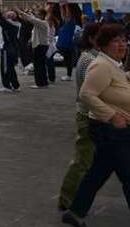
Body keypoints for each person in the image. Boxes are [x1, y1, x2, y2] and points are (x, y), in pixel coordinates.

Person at [62, 24, 130, 226]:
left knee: (98, 173)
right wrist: (112, 116)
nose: (122, 44)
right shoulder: (101, 65)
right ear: (104, 44)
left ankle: (75, 212)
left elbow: (113, 86)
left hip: (113, 130)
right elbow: (86, 94)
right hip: (110, 130)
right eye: (116, 41)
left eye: (124, 40)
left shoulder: (113, 64)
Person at [58, 22, 101, 211]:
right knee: (83, 159)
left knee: (89, 159)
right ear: (92, 39)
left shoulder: (94, 57)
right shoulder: (89, 60)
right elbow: (90, 92)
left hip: (93, 114)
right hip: (89, 115)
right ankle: (67, 198)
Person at [18, 4, 54, 89]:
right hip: (41, 45)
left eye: (38, 14)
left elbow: (31, 18)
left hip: (40, 46)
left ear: (42, 15)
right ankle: (43, 83)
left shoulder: (42, 23)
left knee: (38, 66)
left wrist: (19, 11)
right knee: (41, 65)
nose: (36, 15)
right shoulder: (41, 22)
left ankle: (40, 83)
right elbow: (32, 17)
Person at [0, 0, 21, 93]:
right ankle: (16, 85)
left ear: (9, 17)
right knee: (11, 68)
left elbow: (0, 19)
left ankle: (7, 86)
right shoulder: (16, 24)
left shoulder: (9, 24)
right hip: (13, 48)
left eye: (7, 15)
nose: (5, 15)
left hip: (7, 49)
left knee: (5, 68)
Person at [58, 1, 79, 82]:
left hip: (68, 45)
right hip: (63, 45)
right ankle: (68, 75)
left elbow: (67, 14)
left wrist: (66, 5)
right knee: (67, 59)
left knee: (68, 60)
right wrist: (61, 6)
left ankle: (69, 75)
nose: (65, 17)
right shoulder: (65, 23)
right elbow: (63, 15)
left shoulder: (70, 23)